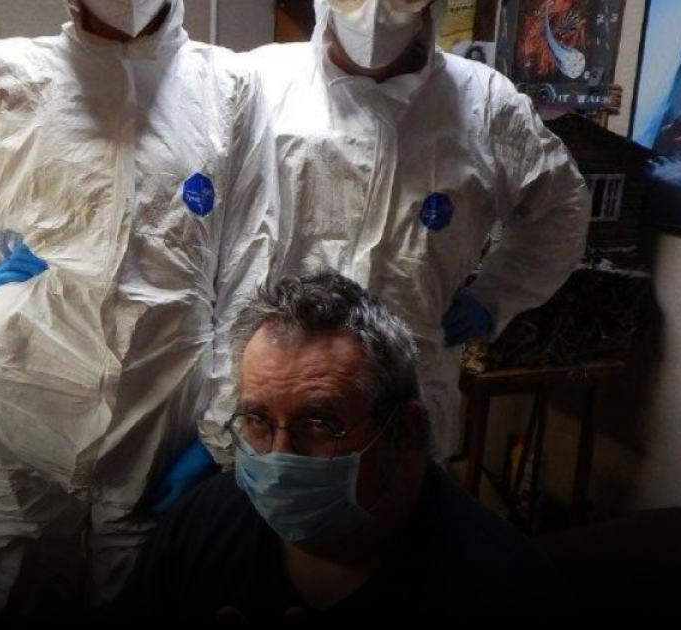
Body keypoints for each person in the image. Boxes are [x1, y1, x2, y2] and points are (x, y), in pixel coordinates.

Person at [0, 0, 276, 626]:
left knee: (136, 599)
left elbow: (249, 265)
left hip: (160, 408)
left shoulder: (230, 86)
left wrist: (221, 431)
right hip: (21, 394)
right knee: (18, 595)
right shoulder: (10, 75)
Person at [224, 0, 591, 466]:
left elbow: (561, 208)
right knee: (269, 501)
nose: (374, 10)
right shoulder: (260, 83)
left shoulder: (484, 104)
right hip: (274, 396)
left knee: (396, 499)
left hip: (408, 389)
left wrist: (493, 297)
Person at [102, 270, 578, 625]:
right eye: (258, 422)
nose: (279, 457)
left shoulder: (507, 592)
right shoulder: (203, 525)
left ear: (404, 431)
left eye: (317, 425)